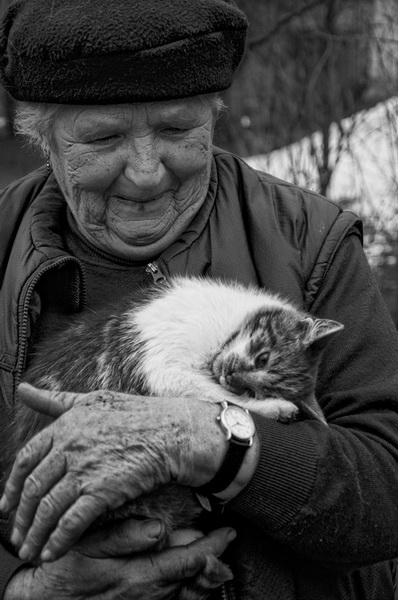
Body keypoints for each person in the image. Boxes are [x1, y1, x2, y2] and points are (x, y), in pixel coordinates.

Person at [0, 0, 398, 598]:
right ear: (43, 136)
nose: (145, 171)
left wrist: (215, 441)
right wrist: (22, 585)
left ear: (214, 116)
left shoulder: (310, 240)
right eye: (103, 136)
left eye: (178, 129)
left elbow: (385, 489)